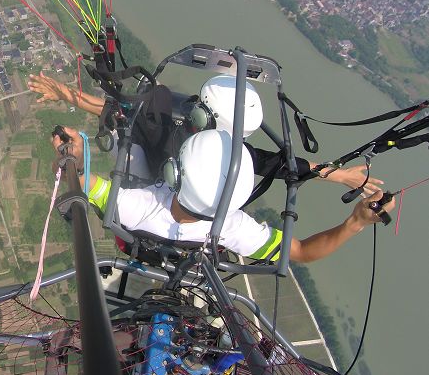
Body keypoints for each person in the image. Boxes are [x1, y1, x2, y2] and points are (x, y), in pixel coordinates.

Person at [51, 126, 391, 262]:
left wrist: (75, 155)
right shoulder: (231, 228)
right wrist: (355, 222)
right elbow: (300, 251)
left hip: (141, 238)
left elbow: (82, 185)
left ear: (174, 173)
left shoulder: (135, 206)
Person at [30, 71, 381, 196]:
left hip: (158, 177)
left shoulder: (168, 127)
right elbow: (290, 166)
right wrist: (343, 177)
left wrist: (66, 95)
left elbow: (111, 110)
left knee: (154, 99)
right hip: (165, 190)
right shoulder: (235, 155)